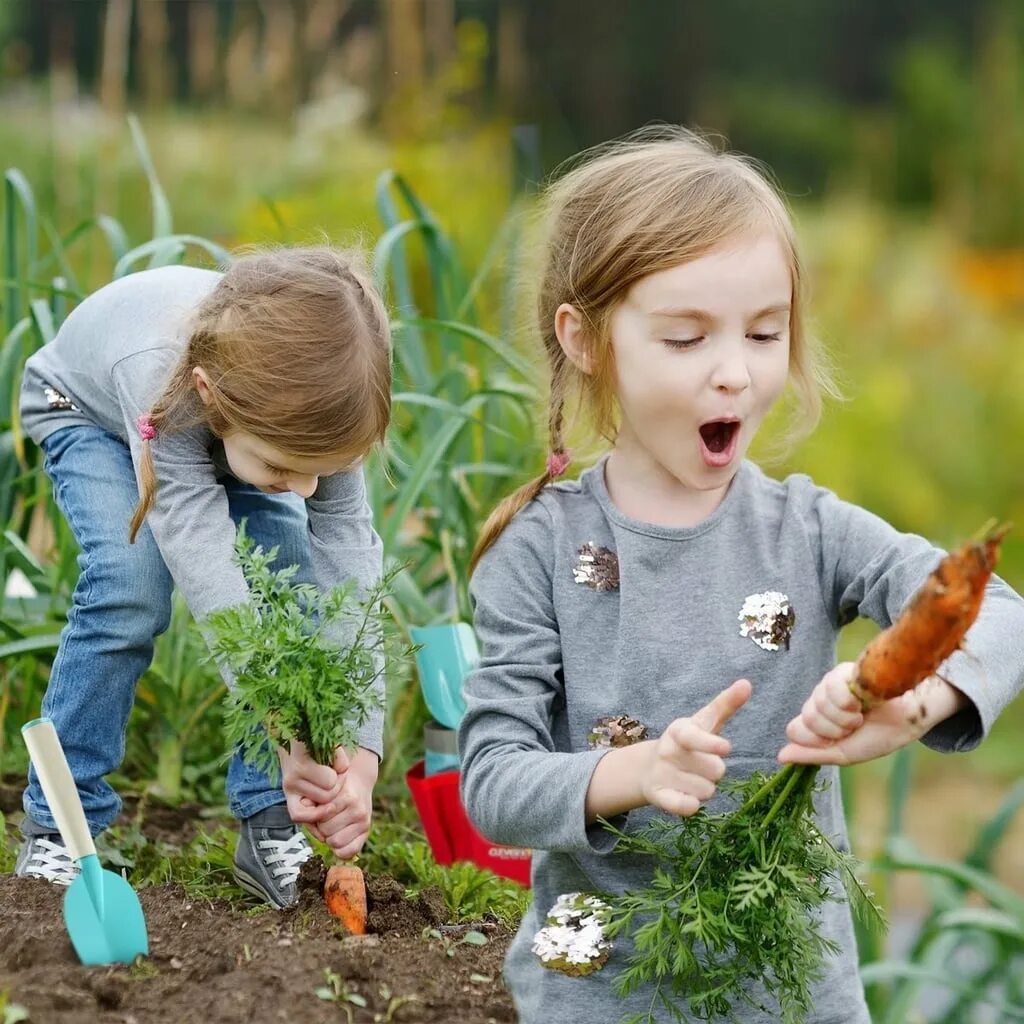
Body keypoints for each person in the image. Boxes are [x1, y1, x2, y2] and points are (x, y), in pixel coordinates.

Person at [457, 127, 1024, 1022]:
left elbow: (1000, 613)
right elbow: (490, 781)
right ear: (586, 339)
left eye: (765, 332)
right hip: (598, 996)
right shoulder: (539, 550)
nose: (736, 373)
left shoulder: (809, 530)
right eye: (686, 339)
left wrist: (910, 703)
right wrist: (636, 771)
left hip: (793, 997)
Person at [14, 246, 391, 909]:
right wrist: (284, 730)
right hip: (92, 412)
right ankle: (58, 823)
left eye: (321, 473)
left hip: (239, 433)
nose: (306, 491)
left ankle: (274, 811)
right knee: (129, 587)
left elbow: (350, 580)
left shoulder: (325, 404)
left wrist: (357, 749)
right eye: (287, 471)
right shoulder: (164, 375)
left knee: (291, 592)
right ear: (215, 398)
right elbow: (211, 574)